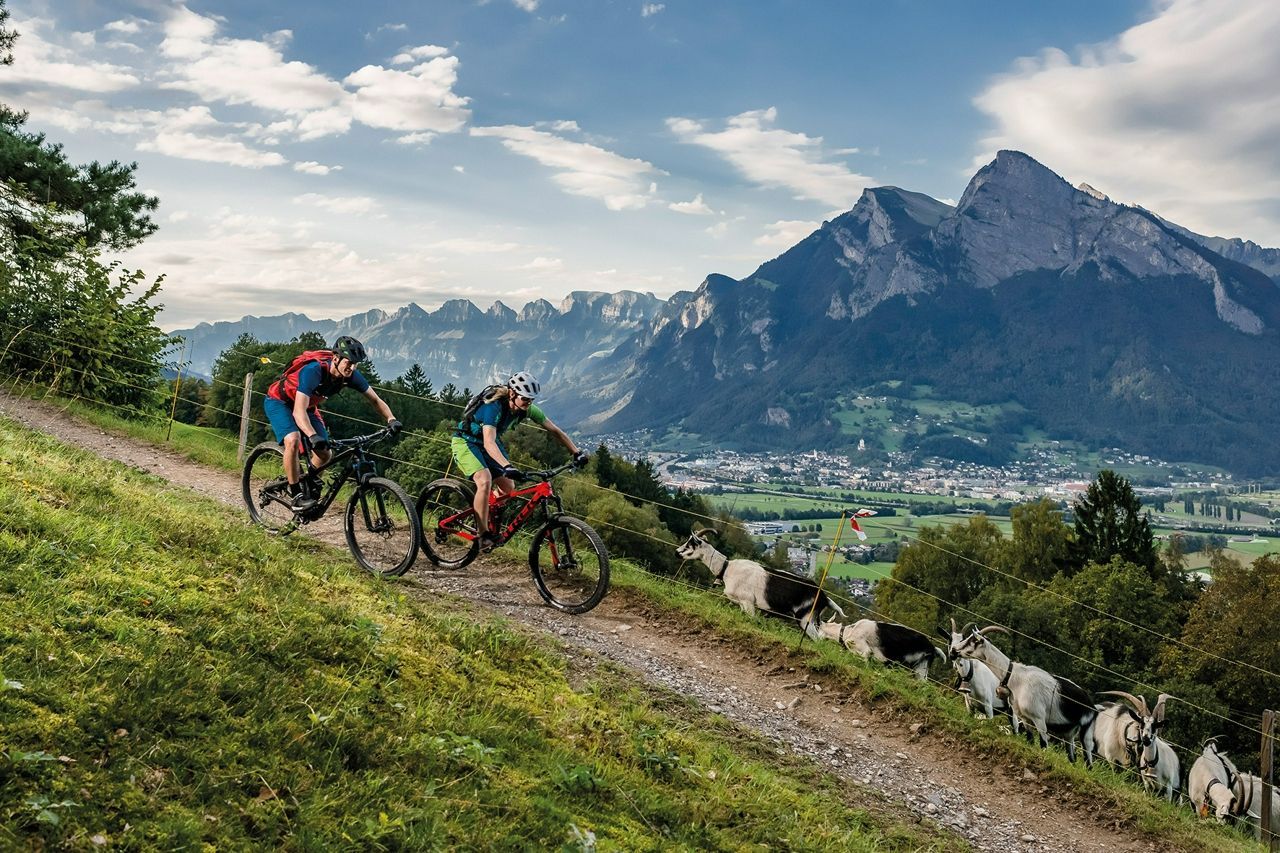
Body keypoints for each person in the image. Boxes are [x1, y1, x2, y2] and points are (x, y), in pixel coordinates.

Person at [452, 371, 588, 552]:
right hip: (466, 442)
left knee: (508, 487)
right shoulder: (493, 406)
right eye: (526, 399)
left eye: (531, 400)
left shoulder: (527, 409)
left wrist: (576, 452)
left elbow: (555, 430)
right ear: (512, 394)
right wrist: (507, 466)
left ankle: (489, 510)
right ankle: (482, 535)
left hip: (487, 445)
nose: (529, 403)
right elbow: (489, 442)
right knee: (484, 480)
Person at [264, 336, 402, 511]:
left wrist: (391, 419)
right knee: (293, 439)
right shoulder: (313, 371)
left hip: (308, 407)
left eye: (355, 364)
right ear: (335, 358)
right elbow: (298, 411)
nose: (351, 367)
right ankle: (296, 493)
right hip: (280, 401)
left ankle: (309, 483)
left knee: (325, 454)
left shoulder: (350, 376)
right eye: (348, 362)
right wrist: (312, 435)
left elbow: (375, 400)